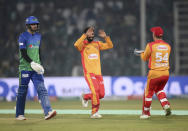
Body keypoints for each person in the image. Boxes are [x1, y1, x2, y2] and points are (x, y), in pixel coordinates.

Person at [16, 16, 56, 120]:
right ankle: (19, 114)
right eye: (33, 24)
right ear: (28, 25)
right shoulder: (23, 36)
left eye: (36, 24)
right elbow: (23, 53)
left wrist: (39, 63)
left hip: (36, 68)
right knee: (22, 91)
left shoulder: (38, 36)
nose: (35, 26)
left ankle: (48, 112)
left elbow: (38, 51)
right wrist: (31, 62)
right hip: (25, 67)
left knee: (42, 89)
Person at [74, 27, 113, 118]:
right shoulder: (82, 45)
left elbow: (110, 46)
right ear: (85, 34)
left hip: (98, 73)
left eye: (92, 32)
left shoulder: (97, 44)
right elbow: (76, 45)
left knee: (101, 94)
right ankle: (94, 112)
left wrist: (105, 37)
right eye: (90, 32)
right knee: (95, 91)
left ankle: (86, 97)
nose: (92, 33)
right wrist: (84, 35)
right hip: (89, 73)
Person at [134, 26, 172, 119]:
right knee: (159, 90)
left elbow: (144, 58)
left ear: (154, 35)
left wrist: (141, 53)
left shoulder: (150, 45)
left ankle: (146, 113)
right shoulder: (168, 46)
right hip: (166, 73)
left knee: (148, 92)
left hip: (155, 73)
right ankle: (165, 105)